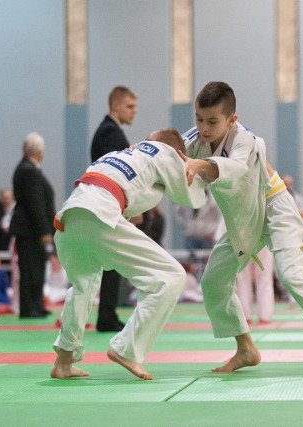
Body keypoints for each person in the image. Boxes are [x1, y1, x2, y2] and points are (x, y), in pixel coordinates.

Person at [183, 81, 303, 374]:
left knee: (292, 275)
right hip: (246, 216)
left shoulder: (246, 140)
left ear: (232, 120)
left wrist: (196, 165)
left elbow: (236, 169)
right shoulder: (197, 140)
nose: (204, 127)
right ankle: (245, 348)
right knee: (213, 280)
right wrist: (143, 149)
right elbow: (169, 148)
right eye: (199, 119)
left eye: (213, 121)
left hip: (275, 207)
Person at [50, 128, 206, 380]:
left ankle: (64, 361)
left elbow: (139, 194)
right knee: (171, 276)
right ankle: (128, 350)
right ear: (178, 153)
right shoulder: (163, 152)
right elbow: (192, 198)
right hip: (99, 214)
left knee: (83, 286)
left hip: (68, 217)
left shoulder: (121, 154)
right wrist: (195, 170)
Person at [89, 86, 138, 332]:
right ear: (115, 106)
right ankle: (105, 315)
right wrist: (132, 204)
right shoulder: (111, 133)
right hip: (109, 204)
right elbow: (118, 173)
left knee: (109, 262)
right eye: (129, 106)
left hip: (105, 203)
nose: (134, 112)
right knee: (108, 262)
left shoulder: (108, 131)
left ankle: (106, 314)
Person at [10, 132, 55, 318]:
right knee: (30, 270)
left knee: (37, 268)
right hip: (30, 230)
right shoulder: (28, 170)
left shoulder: (29, 168)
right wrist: (44, 230)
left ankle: (36, 304)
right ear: (37, 151)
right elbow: (34, 203)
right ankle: (29, 308)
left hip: (31, 229)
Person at [174, 189, 221, 254]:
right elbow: (178, 212)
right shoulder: (188, 196)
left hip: (206, 237)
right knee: (190, 261)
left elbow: (219, 217)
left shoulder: (212, 199)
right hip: (191, 236)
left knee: (207, 260)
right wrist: (185, 225)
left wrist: (214, 232)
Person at [236, 246, 275, 324]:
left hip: (240, 240)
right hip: (263, 239)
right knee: (263, 278)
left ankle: (245, 316)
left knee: (243, 278)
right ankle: (265, 316)